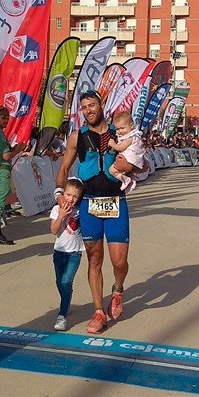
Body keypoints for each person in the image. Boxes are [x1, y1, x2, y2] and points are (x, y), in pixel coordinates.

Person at [55, 90, 144, 334]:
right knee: (94, 259)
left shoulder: (121, 132)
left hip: (116, 201)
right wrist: (59, 194)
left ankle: (118, 289)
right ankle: (98, 311)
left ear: (101, 105)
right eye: (84, 107)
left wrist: (131, 165)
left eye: (92, 105)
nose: (88, 110)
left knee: (119, 262)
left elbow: (143, 163)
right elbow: (63, 169)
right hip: (89, 203)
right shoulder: (77, 137)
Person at [0, 107, 26, 245]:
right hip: (1, 170)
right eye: (3, 118)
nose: (6, 121)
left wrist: (13, 149)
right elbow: (6, 155)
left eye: (7, 118)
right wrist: (17, 150)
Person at [49, 177, 85, 331]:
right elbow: (53, 230)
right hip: (59, 252)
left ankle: (62, 315)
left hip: (74, 253)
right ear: (63, 194)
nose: (71, 199)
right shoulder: (56, 209)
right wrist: (62, 215)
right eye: (69, 194)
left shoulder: (81, 210)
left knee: (65, 281)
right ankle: (67, 298)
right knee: (60, 282)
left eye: (75, 196)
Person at [107, 111, 145, 193]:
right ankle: (132, 179)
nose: (120, 131)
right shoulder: (134, 135)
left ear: (131, 125)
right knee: (126, 171)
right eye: (118, 129)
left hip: (129, 159)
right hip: (133, 160)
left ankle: (126, 180)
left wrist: (113, 144)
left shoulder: (130, 137)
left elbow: (120, 148)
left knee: (111, 171)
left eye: (122, 128)